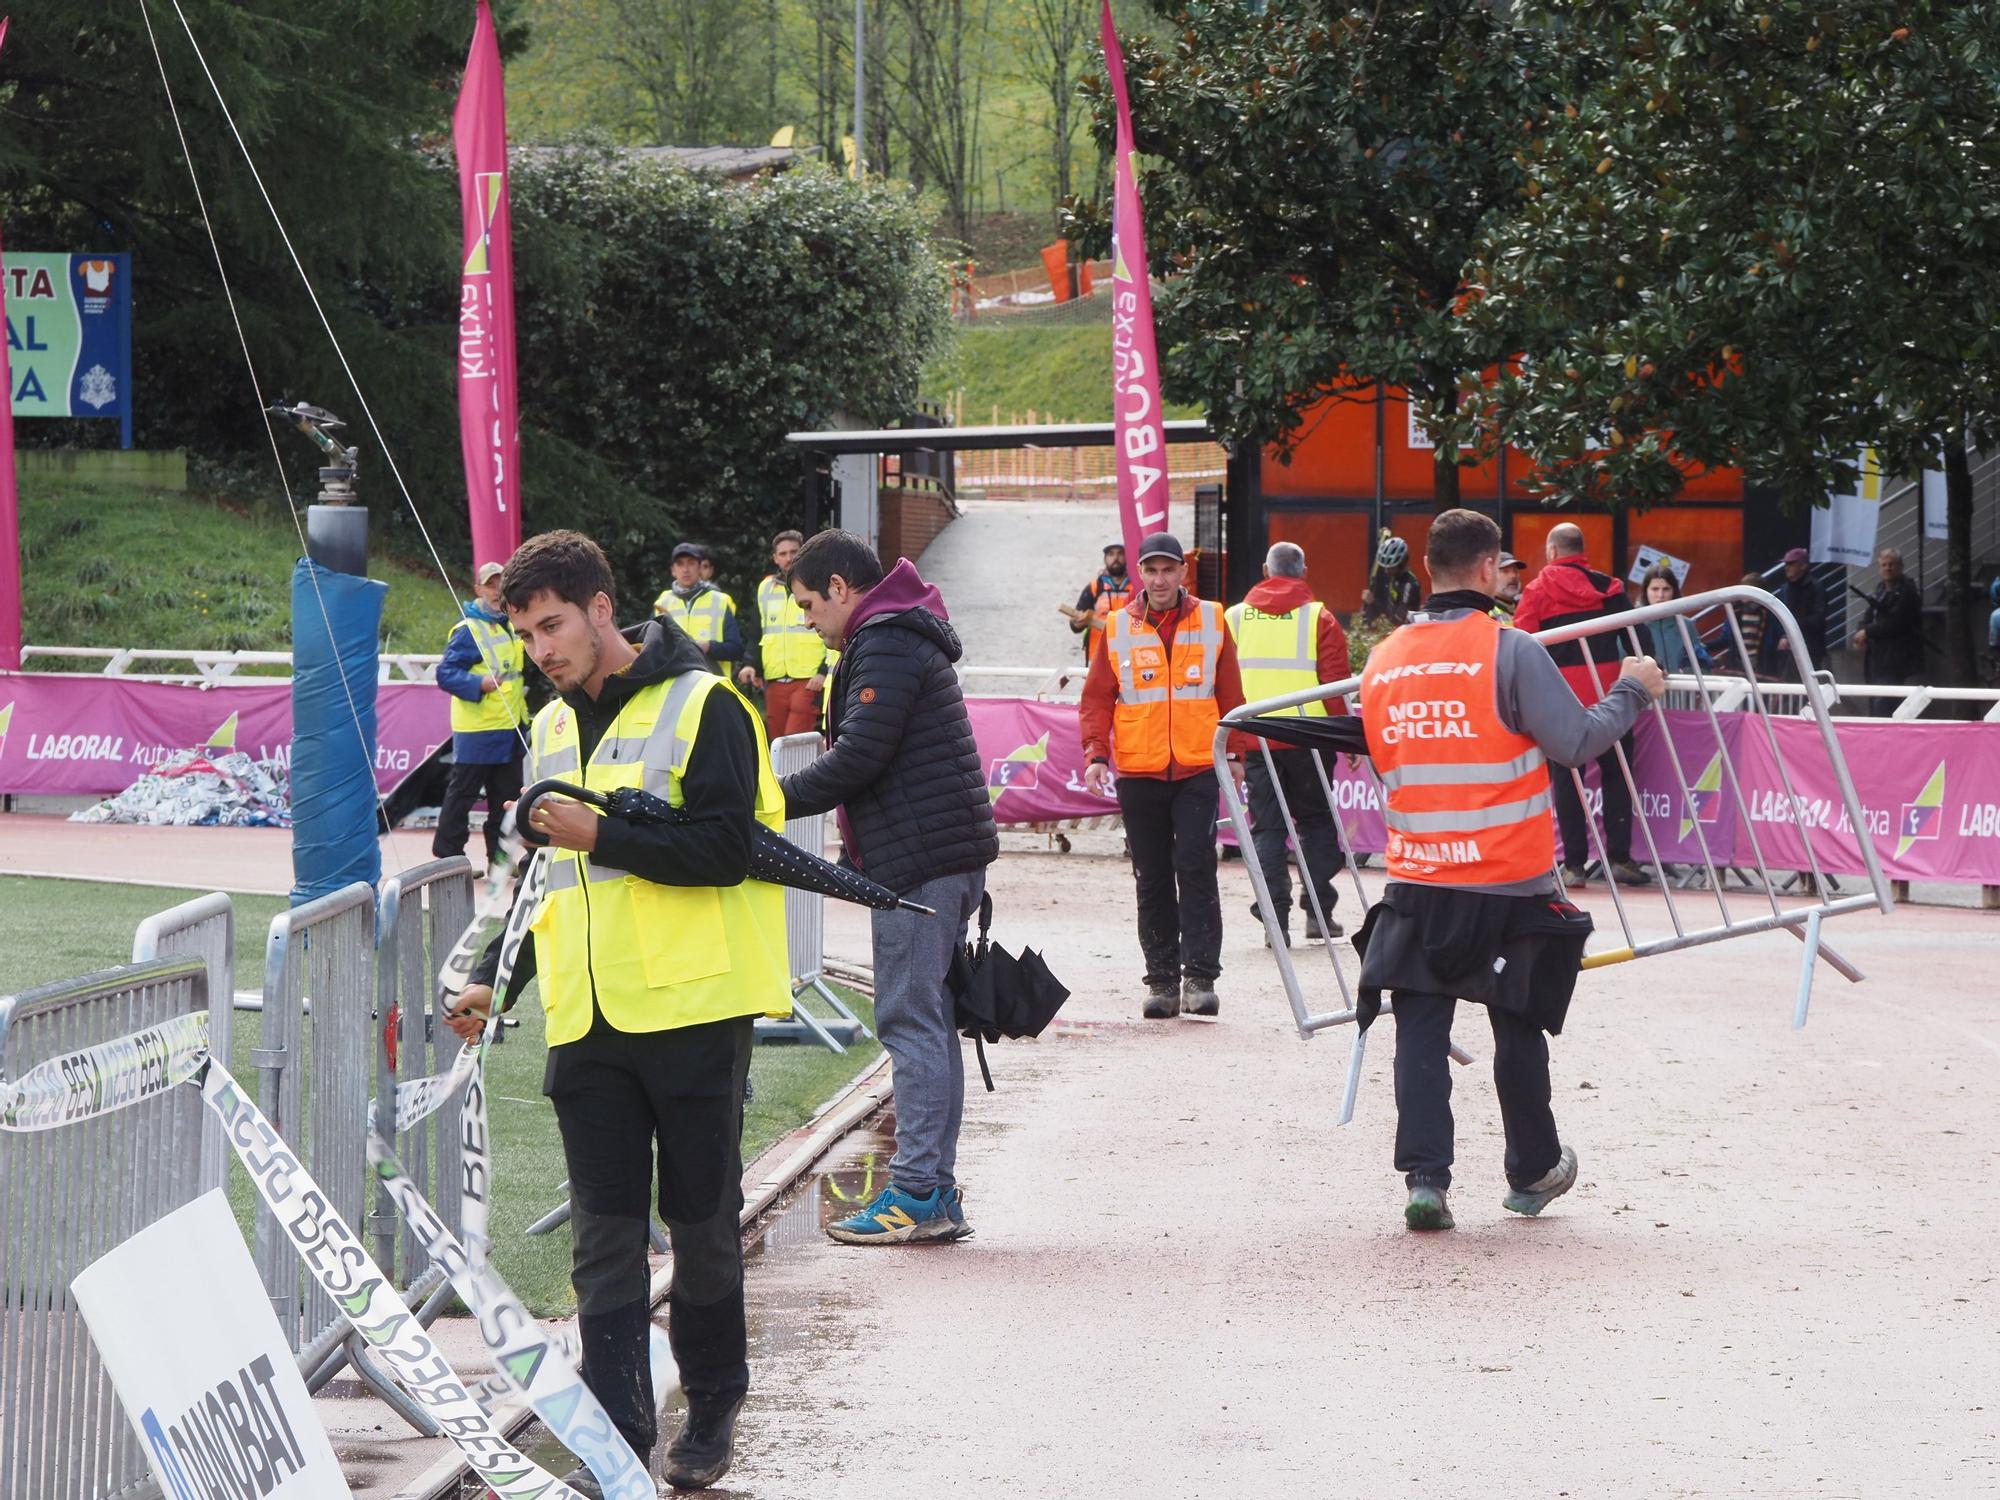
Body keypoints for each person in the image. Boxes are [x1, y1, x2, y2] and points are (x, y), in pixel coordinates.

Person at [445, 530, 789, 1493]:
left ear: (602, 609)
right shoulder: (553, 726)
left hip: (694, 1014)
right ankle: (617, 1443)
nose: (539, 650)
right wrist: (496, 977)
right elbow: (540, 879)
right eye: (525, 635)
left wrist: (604, 833)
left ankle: (712, 1405)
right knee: (602, 1243)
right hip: (586, 1023)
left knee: (702, 1226)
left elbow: (727, 849)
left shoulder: (708, 704)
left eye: (552, 627)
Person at [1354, 508, 1666, 1232]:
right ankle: (1531, 1171)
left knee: (1419, 1026)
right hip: (1509, 876)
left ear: (1429, 568)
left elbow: (1384, 759)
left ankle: (1425, 1182)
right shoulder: (1509, 650)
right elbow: (1575, 741)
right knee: (1517, 1022)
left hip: (1420, 875)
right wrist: (1631, 689)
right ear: (1491, 569)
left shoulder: (1384, 658)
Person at [778, 530, 999, 1245]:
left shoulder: (885, 641)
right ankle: (932, 1189)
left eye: (808, 604)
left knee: (910, 1023)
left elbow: (859, 757)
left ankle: (917, 1193)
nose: (807, 621)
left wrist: (765, 801)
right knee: (928, 1021)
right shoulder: (896, 632)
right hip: (935, 854)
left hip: (921, 862)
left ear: (840, 588)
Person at [1080, 532, 1247, 1018]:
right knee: (1151, 876)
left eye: (1168, 570)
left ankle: (1200, 977)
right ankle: (1161, 981)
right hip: (1139, 769)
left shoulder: (1212, 619)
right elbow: (1097, 697)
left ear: (1183, 572)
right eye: (1151, 571)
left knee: (1196, 865)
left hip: (1197, 766)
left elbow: (1232, 694)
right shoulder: (1118, 626)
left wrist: (1237, 753)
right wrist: (1096, 754)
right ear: (1140, 574)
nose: (1159, 579)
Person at [1224, 540, 1351, 946]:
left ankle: (1274, 920)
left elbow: (1221, 683)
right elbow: (1335, 686)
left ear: (1266, 570)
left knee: (1267, 829)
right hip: (1309, 740)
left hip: (1256, 738)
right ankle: (1319, 914)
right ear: (1304, 572)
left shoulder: (1234, 618)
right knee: (1316, 824)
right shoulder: (1320, 618)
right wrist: (1347, 737)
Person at [1512, 522, 1652, 886]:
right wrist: (1646, 674)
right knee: (1617, 775)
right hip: (1610, 697)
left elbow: (1521, 647)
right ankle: (1620, 858)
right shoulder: (1609, 588)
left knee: (1567, 781)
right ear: (1581, 550)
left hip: (1561, 703)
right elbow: (1638, 636)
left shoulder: (1536, 591)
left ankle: (1573, 865)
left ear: (1552, 551)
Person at [431, 560, 527, 865]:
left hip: (509, 726)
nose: (497, 590)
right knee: (462, 796)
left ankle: (499, 859)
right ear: (478, 590)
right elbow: (445, 674)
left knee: (505, 799)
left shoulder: (512, 625)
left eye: (501, 583)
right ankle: (449, 859)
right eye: (490, 584)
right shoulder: (468, 630)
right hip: (477, 730)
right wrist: (479, 684)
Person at [737, 529, 827, 738]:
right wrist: (751, 665)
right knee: (776, 742)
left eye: (794, 552)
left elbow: (831, 628)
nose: (789, 558)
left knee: (792, 744)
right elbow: (757, 633)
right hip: (774, 680)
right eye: (783, 554)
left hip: (808, 679)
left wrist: (823, 671)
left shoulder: (817, 586)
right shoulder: (765, 589)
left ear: (803, 553)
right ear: (775, 558)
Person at [655, 542, 743, 676]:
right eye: (680, 564)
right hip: (674, 681)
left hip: (712, 682)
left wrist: (709, 647)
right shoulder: (662, 603)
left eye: (691, 563)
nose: (686, 569)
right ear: (673, 570)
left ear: (700, 568)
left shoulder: (720, 601)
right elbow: (652, 649)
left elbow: (736, 649)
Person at [1854, 547, 1923, 696]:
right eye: (1884, 565)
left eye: (1892, 564)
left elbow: (1896, 623)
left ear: (1901, 566)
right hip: (1876, 658)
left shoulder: (1907, 591)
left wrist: (1867, 632)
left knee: (1886, 703)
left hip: (1895, 660)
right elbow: (1869, 614)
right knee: (1875, 702)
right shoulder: (1880, 589)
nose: (1888, 568)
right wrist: (1860, 632)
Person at [1756, 546, 1826, 680]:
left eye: (1791, 564)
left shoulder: (1815, 588)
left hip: (1809, 647)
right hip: (1788, 648)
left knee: (1808, 683)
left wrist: (1790, 628)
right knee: (1788, 683)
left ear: (1803, 566)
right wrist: (1784, 635)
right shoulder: (1786, 589)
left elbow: (1818, 618)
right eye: (1786, 564)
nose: (1786, 568)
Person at [1639, 565, 1714, 674]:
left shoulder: (1686, 625)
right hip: (1645, 683)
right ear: (1646, 591)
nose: (1660, 595)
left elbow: (1702, 664)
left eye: (1666, 589)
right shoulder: (1634, 625)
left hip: (1681, 684)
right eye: (1655, 589)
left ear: (1674, 591)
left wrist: (1685, 673)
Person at [1065, 542, 1132, 663]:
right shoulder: (1095, 587)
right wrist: (1077, 623)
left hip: (1128, 657)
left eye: (1120, 554)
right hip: (1098, 658)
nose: (1115, 558)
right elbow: (1075, 626)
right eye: (1111, 554)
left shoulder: (1137, 588)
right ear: (1105, 559)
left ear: (1127, 557)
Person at [1360, 532, 1422, 627]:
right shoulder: (1395, 576)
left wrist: (1373, 602)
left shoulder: (1409, 585)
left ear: (1402, 563)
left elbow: (1398, 619)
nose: (1386, 571)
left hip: (1405, 630)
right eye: (1385, 567)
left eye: (1390, 568)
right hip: (1390, 627)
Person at [1492, 552, 1526, 621]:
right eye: (1505, 571)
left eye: (1516, 571)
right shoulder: (1486, 611)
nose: (1513, 576)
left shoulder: (1525, 606)